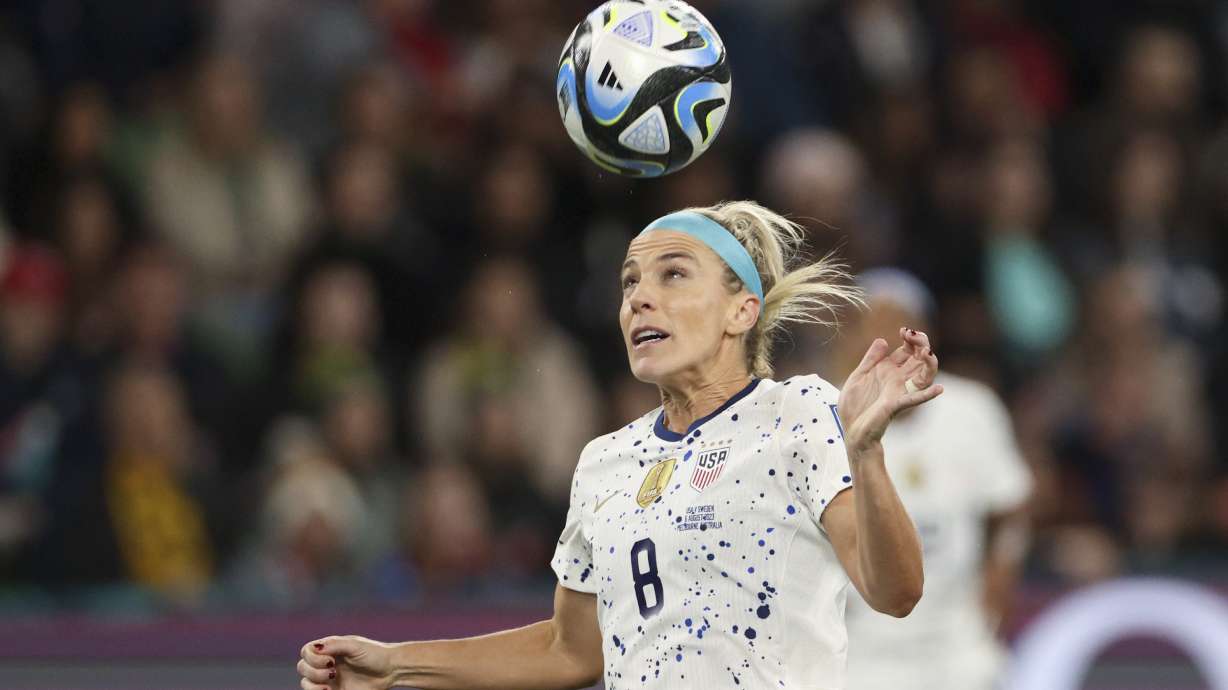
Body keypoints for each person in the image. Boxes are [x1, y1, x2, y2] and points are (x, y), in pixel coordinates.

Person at [296, 201, 941, 690]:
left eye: (673, 274)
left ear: (741, 311)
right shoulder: (605, 462)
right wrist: (395, 665)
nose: (639, 299)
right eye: (630, 283)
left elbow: (896, 592)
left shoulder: (795, 414)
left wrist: (865, 453)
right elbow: (570, 650)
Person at [830, 269, 1033, 690]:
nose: (887, 342)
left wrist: (996, 590)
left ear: (927, 335)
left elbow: (1010, 509)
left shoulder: (973, 408)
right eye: (873, 327)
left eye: (900, 327)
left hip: (958, 644)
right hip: (864, 650)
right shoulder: (823, 415)